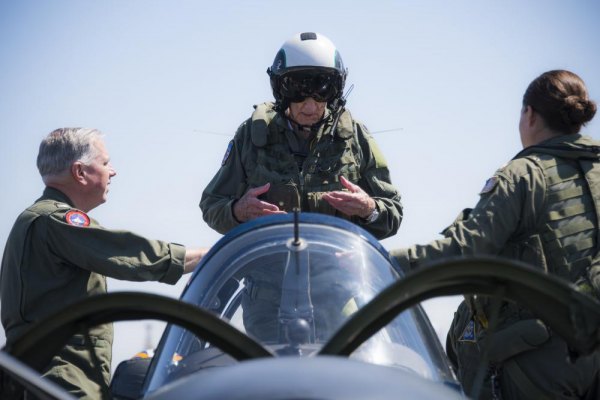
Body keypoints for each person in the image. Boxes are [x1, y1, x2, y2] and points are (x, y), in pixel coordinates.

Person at [391, 70, 600, 399]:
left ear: (529, 114)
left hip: (537, 362)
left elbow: (467, 250)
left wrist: (387, 262)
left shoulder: (524, 174)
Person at [200, 32, 403, 341]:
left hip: (338, 297)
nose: (310, 107)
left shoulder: (355, 138)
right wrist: (238, 211)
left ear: (334, 93)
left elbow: (393, 213)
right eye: (300, 95)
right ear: (282, 91)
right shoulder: (252, 137)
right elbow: (212, 205)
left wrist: (369, 210)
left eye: (320, 95)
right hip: (268, 302)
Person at [0, 128, 208, 399]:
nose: (113, 172)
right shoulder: (57, 220)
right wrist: (208, 256)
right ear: (80, 172)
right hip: (63, 380)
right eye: (105, 163)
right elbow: (128, 255)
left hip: (42, 375)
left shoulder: (35, 219)